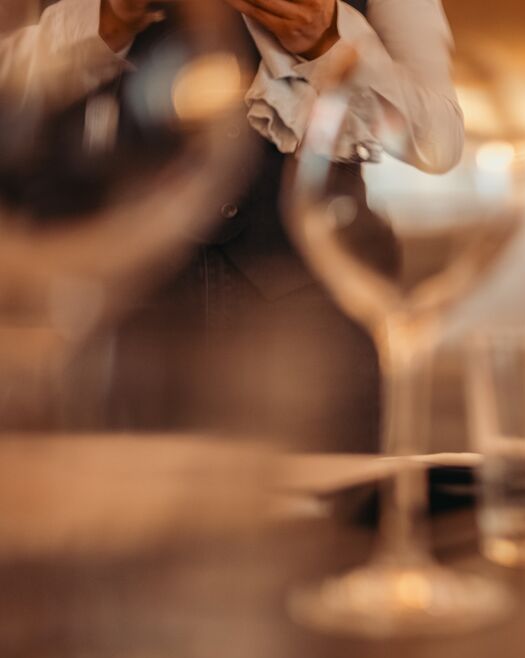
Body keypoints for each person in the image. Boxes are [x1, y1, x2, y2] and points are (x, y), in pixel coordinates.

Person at [0, 0, 464, 450]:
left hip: (309, 320)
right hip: (118, 311)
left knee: (327, 517)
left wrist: (327, 39)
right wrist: (106, 19)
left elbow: (438, 141)